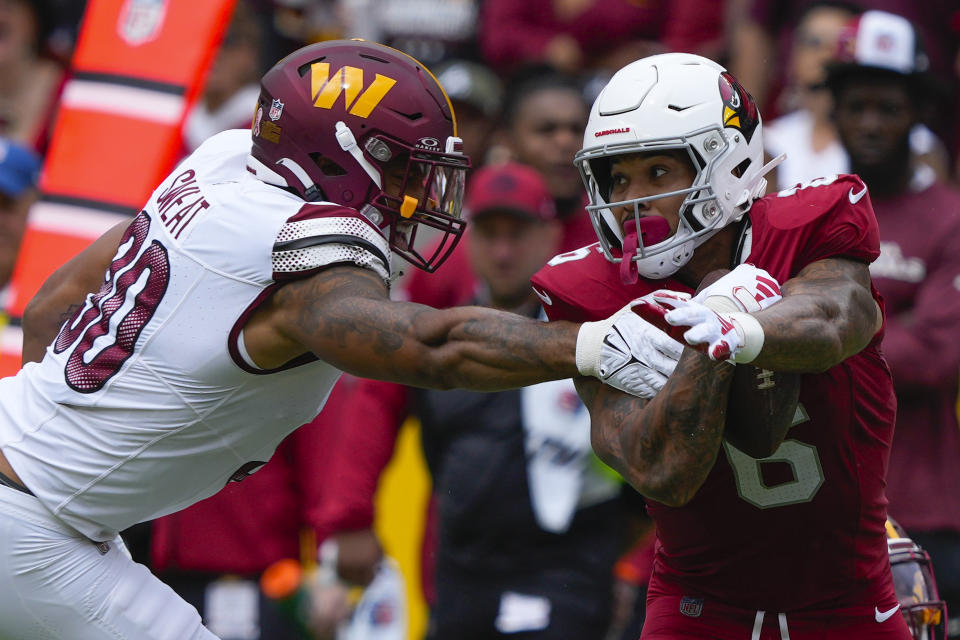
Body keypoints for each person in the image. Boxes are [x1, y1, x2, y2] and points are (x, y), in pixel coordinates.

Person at [0, 39, 658, 640]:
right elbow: (436, 347)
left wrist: (62, 456)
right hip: (33, 522)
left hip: (42, 504)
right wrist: (594, 346)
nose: (417, 193)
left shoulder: (225, 165)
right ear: (337, 154)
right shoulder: (302, 250)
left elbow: (51, 306)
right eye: (403, 168)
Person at [531, 52, 910, 638]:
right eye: (618, 177)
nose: (633, 199)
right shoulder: (589, 289)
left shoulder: (809, 227)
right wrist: (702, 353)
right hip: (698, 607)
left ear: (727, 164)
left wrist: (746, 326)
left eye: (657, 173)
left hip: (849, 601)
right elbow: (659, 470)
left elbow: (838, 317)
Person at [317, 162, 641, 639]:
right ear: (468, 239)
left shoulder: (595, 335)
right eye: (490, 234)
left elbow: (649, 464)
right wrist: (349, 518)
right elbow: (371, 411)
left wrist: (630, 566)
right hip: (460, 574)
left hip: (566, 575)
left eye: (519, 234)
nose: (504, 251)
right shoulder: (436, 333)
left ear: (551, 235)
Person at [827, 12, 960, 638]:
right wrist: (892, 318)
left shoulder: (950, 220)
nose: (872, 124)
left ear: (918, 112)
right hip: (831, 503)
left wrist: (830, 332)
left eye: (889, 106)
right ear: (836, 112)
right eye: (857, 106)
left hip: (929, 506)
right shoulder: (813, 211)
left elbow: (937, 354)